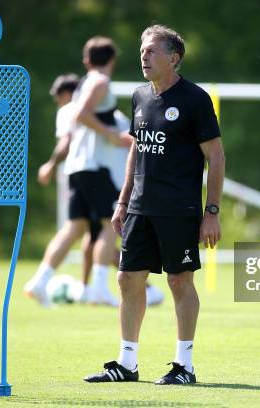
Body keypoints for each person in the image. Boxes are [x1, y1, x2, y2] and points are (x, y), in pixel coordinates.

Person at [85, 25, 225, 384]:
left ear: (174, 59)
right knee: (127, 278)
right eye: (142, 50)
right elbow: (136, 148)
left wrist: (211, 212)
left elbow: (217, 156)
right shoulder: (139, 96)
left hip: (179, 209)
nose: (143, 56)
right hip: (139, 208)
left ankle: (185, 366)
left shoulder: (195, 99)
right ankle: (127, 364)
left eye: (152, 51)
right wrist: (122, 201)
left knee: (180, 282)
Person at [24, 37, 129, 307]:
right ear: (112, 61)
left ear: (86, 60)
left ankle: (40, 281)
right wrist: (112, 135)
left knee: (75, 227)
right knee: (111, 224)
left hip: (77, 166)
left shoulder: (83, 83)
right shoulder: (99, 81)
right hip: (95, 165)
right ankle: (99, 288)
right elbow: (81, 115)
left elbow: (76, 121)